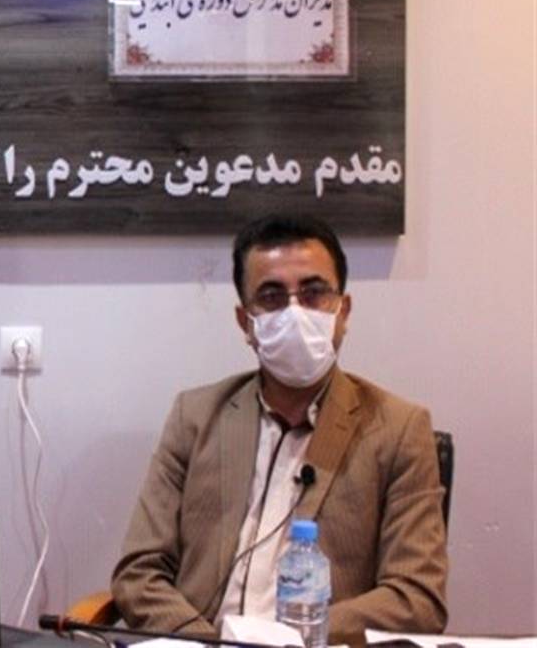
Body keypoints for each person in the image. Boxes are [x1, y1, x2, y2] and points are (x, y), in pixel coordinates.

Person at [111, 214, 448, 640]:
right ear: (245, 322)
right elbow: (139, 573)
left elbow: (417, 598)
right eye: (271, 297)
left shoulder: (399, 429)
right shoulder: (194, 418)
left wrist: (294, 636)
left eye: (313, 293)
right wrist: (208, 642)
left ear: (343, 311)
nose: (294, 313)